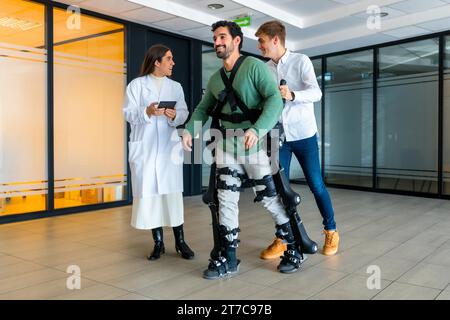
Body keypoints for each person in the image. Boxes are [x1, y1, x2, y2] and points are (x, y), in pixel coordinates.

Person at [182, 20, 308, 279]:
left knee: (270, 198)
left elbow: (274, 99)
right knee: (226, 200)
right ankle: (229, 258)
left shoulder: (254, 67)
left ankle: (294, 248)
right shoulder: (216, 79)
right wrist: (189, 129)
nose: (217, 42)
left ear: (236, 40)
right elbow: (203, 108)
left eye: (222, 37)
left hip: (255, 146)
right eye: (215, 38)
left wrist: (257, 129)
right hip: (226, 146)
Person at [255, 21, 339, 257]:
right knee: (278, 188)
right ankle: (284, 237)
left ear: (275, 39)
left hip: (303, 135)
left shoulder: (300, 61)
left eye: (261, 41)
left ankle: (331, 230)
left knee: (316, 184)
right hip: (278, 136)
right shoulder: (264, 69)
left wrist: (292, 94)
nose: (259, 46)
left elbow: (316, 93)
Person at [123, 44, 194, 261]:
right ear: (157, 62)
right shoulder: (136, 85)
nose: (173, 63)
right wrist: (147, 111)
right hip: (145, 148)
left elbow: (184, 112)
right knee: (151, 196)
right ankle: (159, 243)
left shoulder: (176, 87)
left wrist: (174, 116)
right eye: (169, 59)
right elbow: (127, 113)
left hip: (167, 148)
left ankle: (180, 242)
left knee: (171, 196)